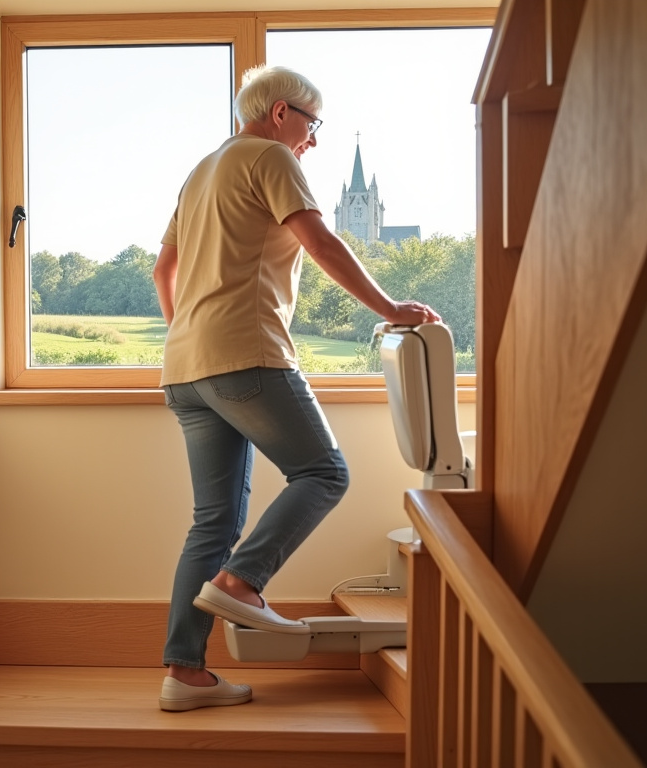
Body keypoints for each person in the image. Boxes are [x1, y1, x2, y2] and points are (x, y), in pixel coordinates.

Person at [153, 65, 440, 713]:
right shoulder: (270, 157)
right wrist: (391, 307)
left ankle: (184, 673)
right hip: (245, 354)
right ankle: (242, 583)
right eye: (312, 123)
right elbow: (322, 240)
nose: (314, 138)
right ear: (281, 112)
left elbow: (163, 269)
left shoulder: (201, 171)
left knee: (212, 522)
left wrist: (189, 336)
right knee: (325, 473)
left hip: (186, 368)